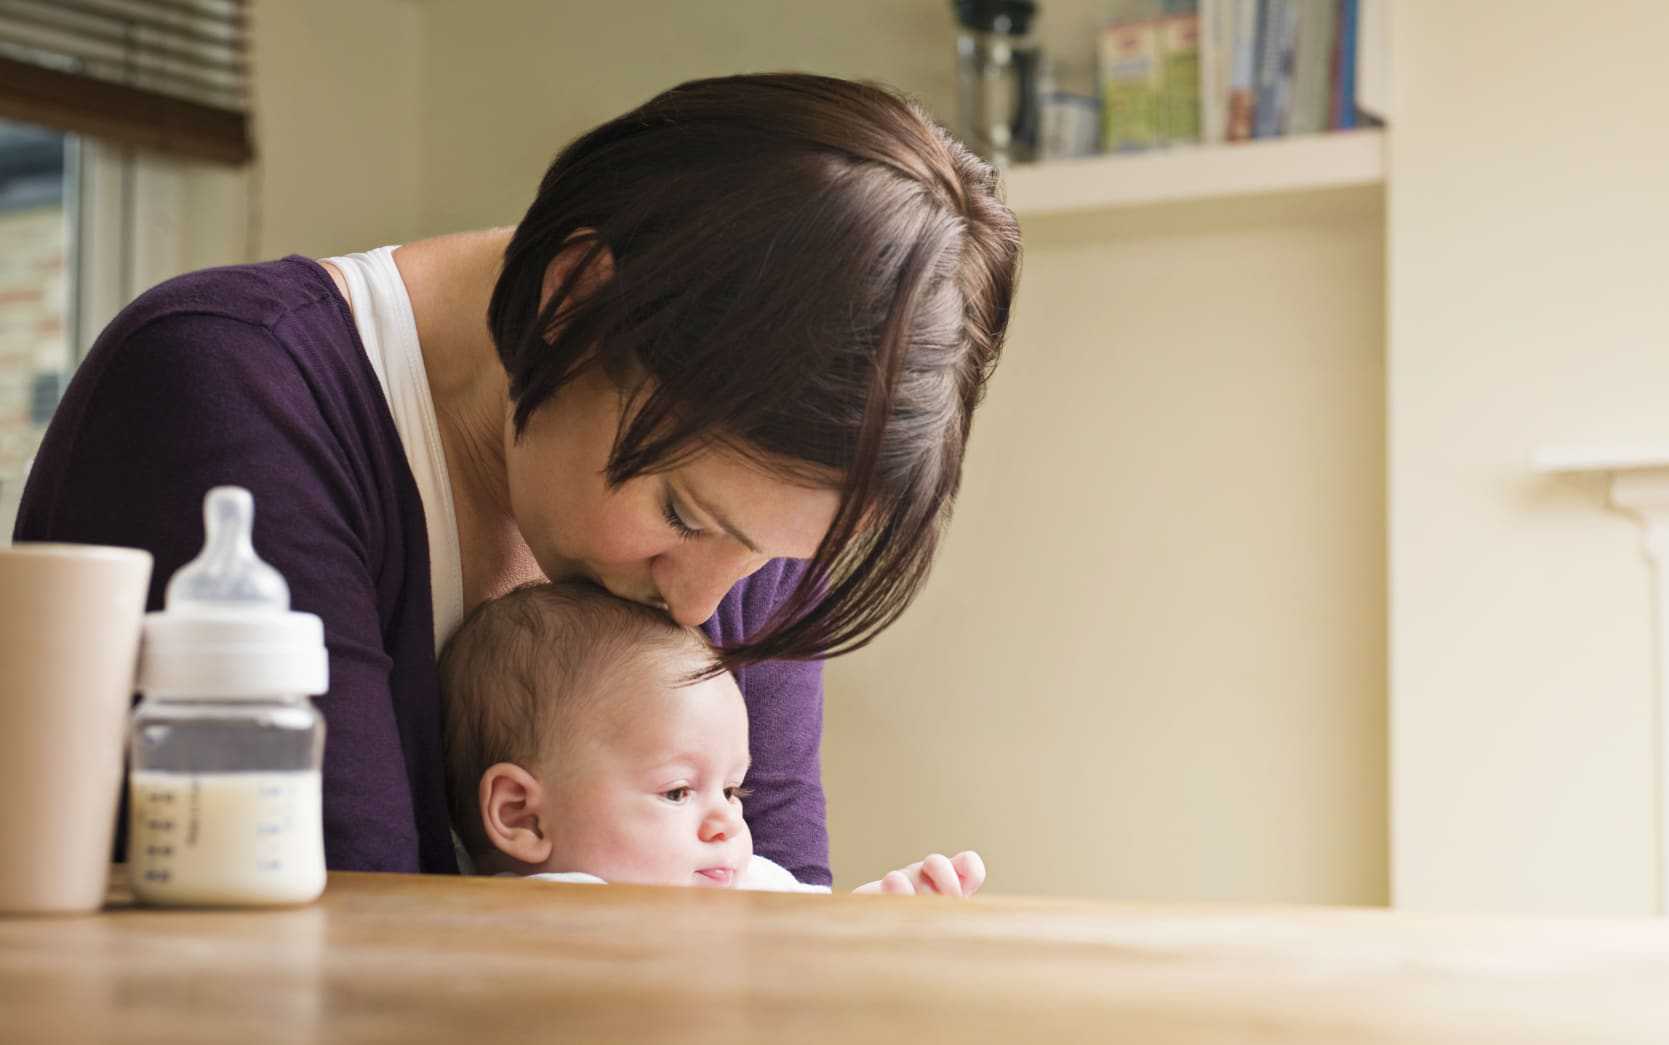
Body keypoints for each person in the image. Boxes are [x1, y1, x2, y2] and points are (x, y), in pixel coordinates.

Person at [12, 73, 1020, 884]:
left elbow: (771, 924)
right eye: (679, 511)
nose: (706, 605)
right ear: (572, 303)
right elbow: (341, 962)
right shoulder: (232, 391)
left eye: (771, 555)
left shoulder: (753, 494)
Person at [442, 579, 984, 896]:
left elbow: (811, 938)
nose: (727, 822)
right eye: (678, 791)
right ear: (522, 816)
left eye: (732, 791)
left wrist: (880, 919)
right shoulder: (542, 914)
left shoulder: (735, 879)